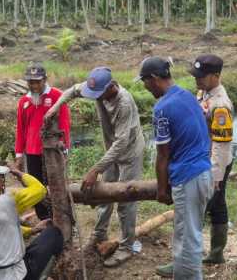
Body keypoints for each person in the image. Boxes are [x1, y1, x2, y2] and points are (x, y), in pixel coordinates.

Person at [44, 67, 145, 267]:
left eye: (98, 94)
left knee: (126, 199)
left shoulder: (124, 103)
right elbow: (72, 90)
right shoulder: (97, 88)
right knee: (103, 194)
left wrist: (95, 169)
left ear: (111, 86)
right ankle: (99, 234)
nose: (95, 97)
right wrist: (55, 107)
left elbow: (121, 142)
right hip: (111, 152)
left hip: (129, 153)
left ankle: (126, 247)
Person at [138, 57, 213, 280]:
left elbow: (162, 155)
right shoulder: (186, 95)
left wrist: (162, 190)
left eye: (144, 81)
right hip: (202, 172)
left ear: (153, 79)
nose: (144, 86)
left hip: (188, 177)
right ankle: (181, 270)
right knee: (185, 231)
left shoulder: (162, 108)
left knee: (188, 237)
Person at [0, 158, 63, 280]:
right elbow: (39, 189)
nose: (3, 180)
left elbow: (2, 230)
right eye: (0, 177)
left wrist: (34, 230)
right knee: (54, 233)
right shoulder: (8, 201)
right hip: (17, 276)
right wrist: (18, 172)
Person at [189, 54, 234, 266]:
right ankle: (216, 253)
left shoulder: (221, 104)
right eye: (196, 75)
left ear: (216, 76)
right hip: (204, 157)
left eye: (202, 76)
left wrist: (216, 174)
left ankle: (189, 256)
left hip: (214, 160)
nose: (197, 79)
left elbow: (221, 144)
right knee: (217, 204)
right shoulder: (204, 93)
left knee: (198, 206)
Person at [14, 62, 71, 220]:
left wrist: (65, 148)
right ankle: (44, 220)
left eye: (37, 81)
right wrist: (19, 154)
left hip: (53, 151)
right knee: (36, 187)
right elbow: (21, 129)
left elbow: (64, 123)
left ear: (45, 80)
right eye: (31, 82)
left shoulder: (56, 96)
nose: (34, 85)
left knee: (56, 185)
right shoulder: (24, 102)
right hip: (32, 152)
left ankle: (62, 218)